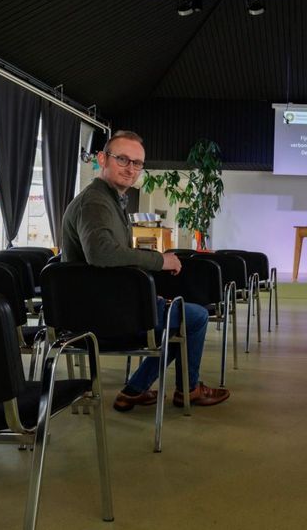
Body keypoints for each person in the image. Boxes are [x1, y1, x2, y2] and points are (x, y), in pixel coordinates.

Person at [61, 130, 230, 410]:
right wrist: (160, 261)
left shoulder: (109, 199)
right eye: (122, 159)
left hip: (107, 304)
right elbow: (101, 254)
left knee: (181, 318)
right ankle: (187, 389)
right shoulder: (95, 202)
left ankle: (136, 389)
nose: (130, 168)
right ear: (102, 159)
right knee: (196, 317)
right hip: (103, 315)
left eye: (137, 163)